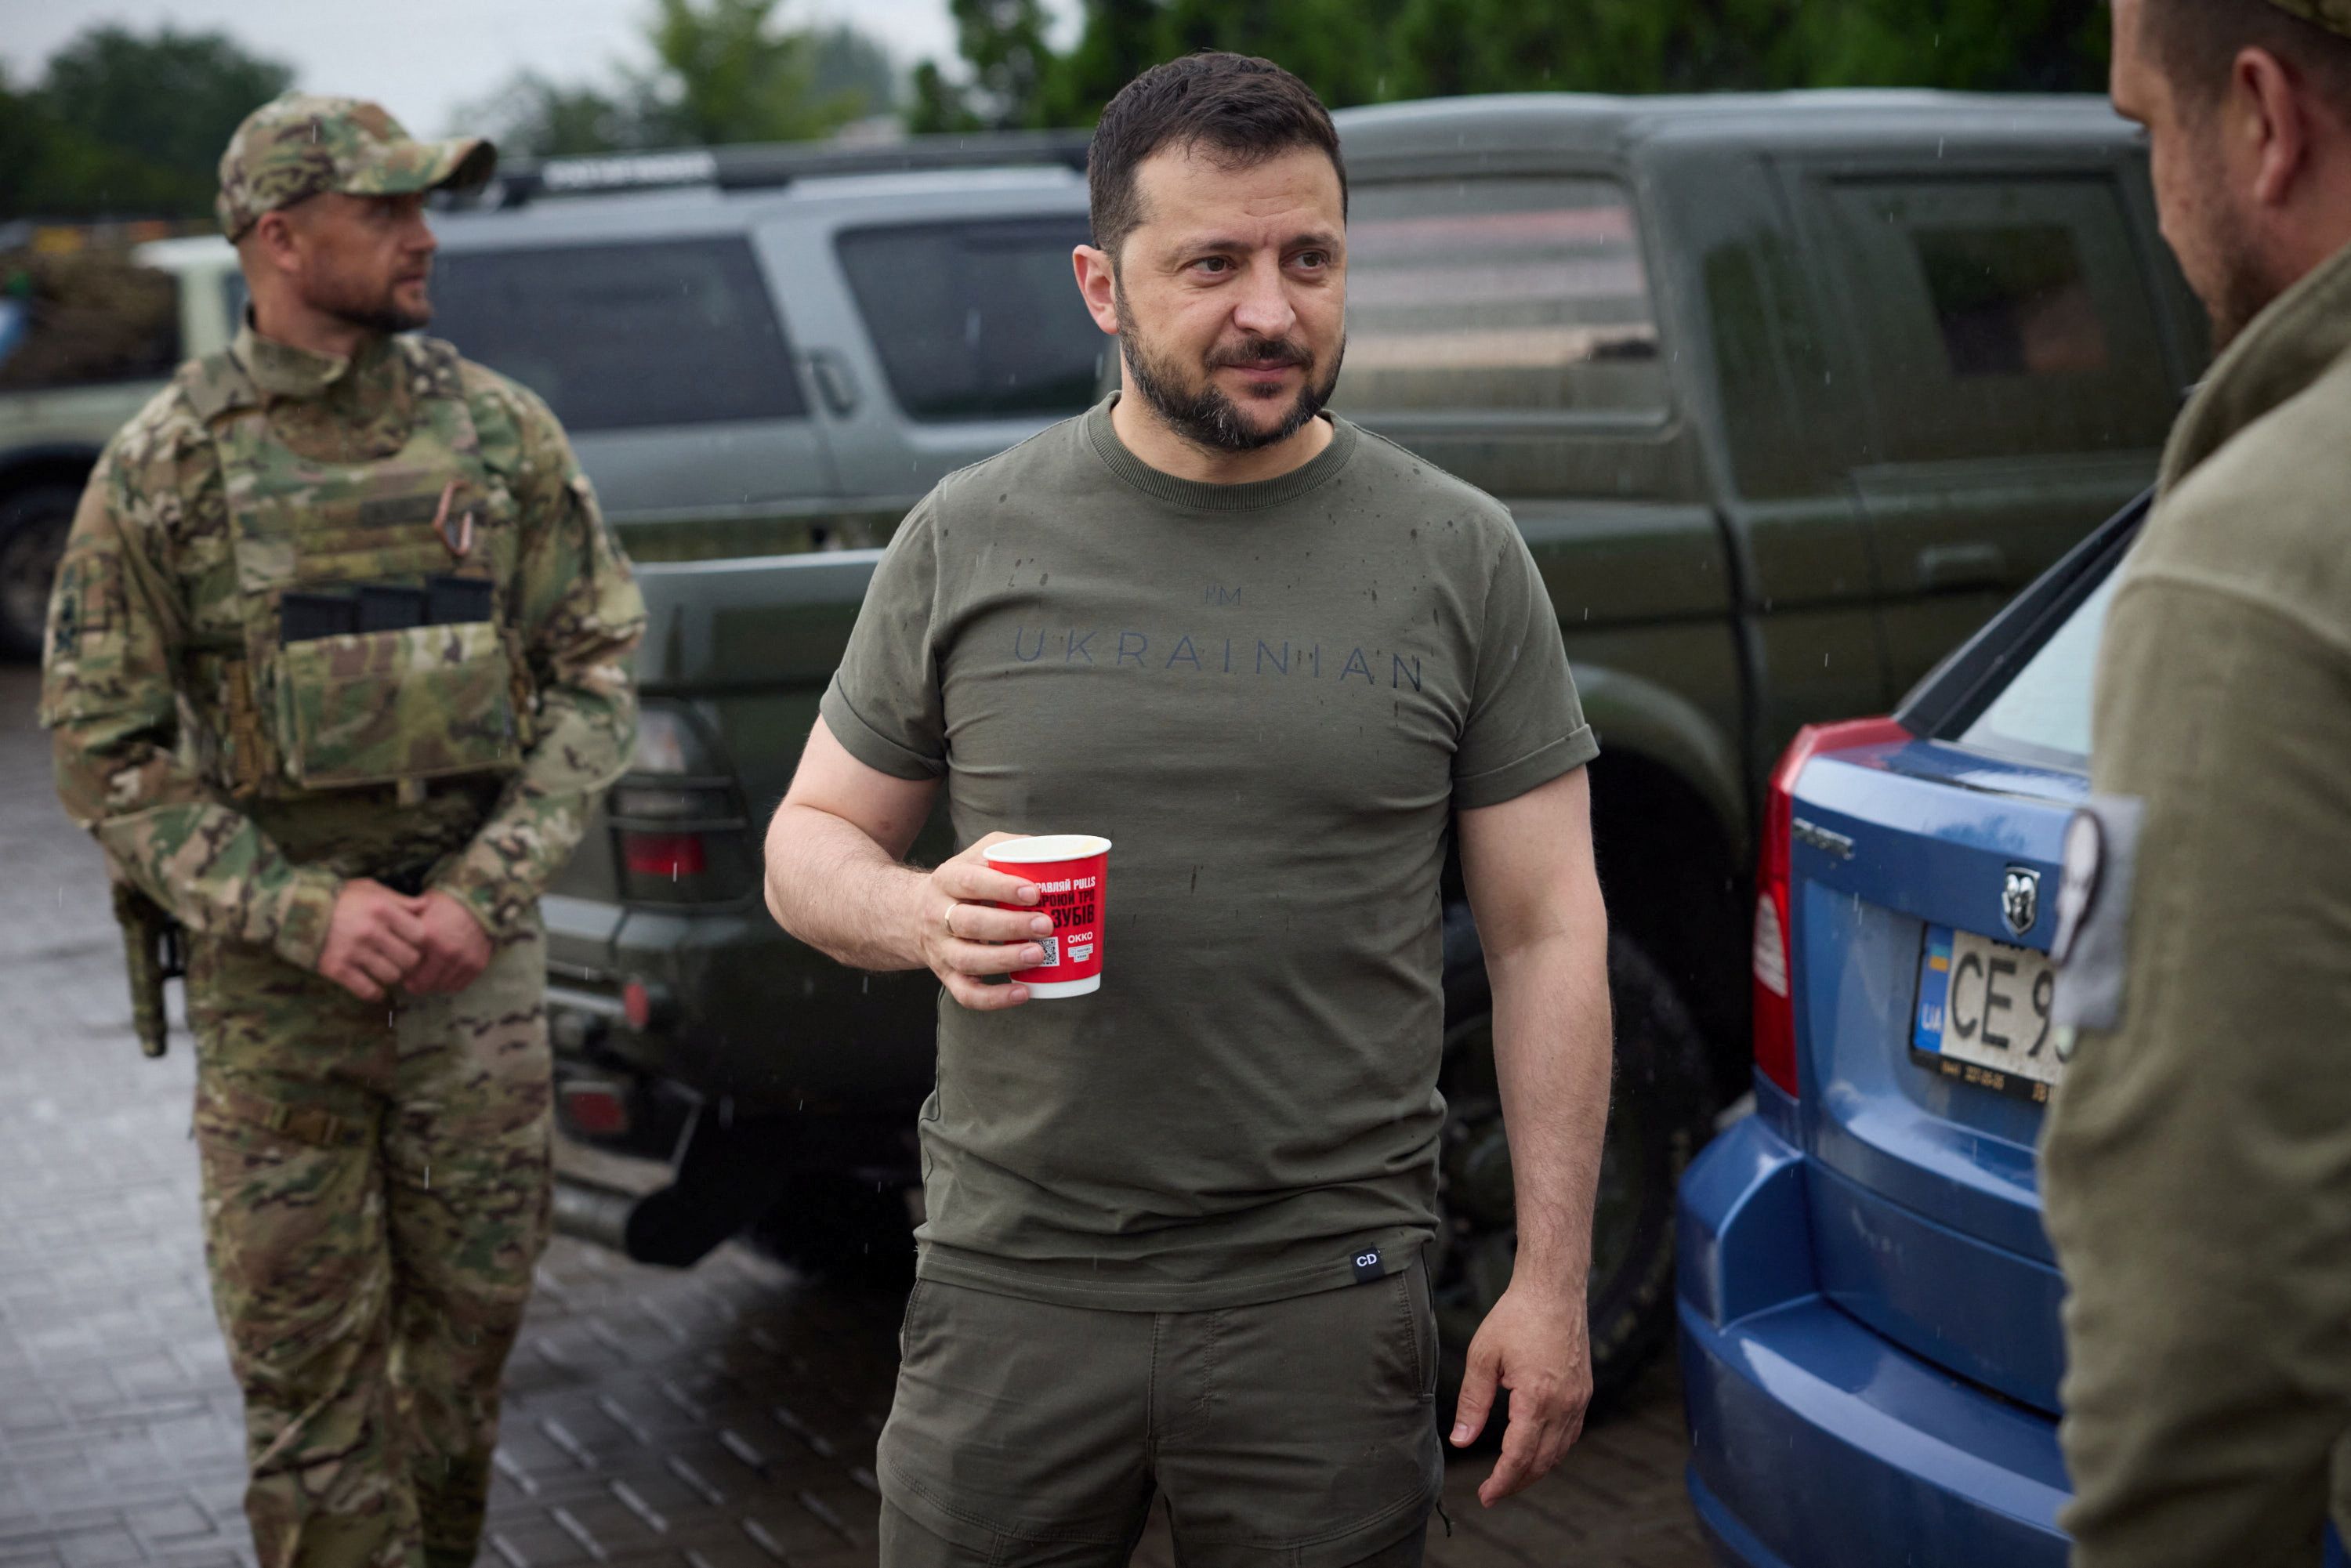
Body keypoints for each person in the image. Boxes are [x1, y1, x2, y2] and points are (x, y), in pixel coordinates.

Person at [763, 52, 1613, 1567]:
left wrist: (1550, 1281)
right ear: (1103, 282)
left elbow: (1550, 932)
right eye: (1211, 262)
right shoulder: (969, 535)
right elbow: (805, 842)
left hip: (1324, 1295)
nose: (1271, 311)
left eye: (1311, 258)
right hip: (1013, 1289)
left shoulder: (1461, 554)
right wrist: (914, 910)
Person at [39, 93, 644, 1568]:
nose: (423, 235)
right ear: (279, 237)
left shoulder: (498, 435)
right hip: (281, 1011)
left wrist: (483, 894)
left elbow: (597, 670)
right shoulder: (166, 469)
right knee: (311, 1401)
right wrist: (304, 910)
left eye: (422, 206)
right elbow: (103, 751)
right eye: (386, 211)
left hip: (472, 996)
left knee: (458, 1381)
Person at [2041, 2, 2351, 1562]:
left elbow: (2200, 1287)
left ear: (2263, 119)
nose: (2159, 197)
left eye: (2144, 130)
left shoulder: (2255, 558)